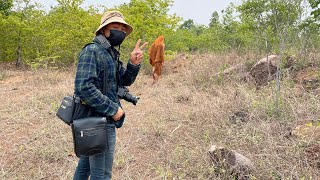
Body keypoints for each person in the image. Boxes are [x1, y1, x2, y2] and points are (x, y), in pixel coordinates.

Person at [73, 10, 147, 179]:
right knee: (102, 174)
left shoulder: (110, 54)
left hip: (96, 121)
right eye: (115, 26)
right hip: (99, 123)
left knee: (85, 167)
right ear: (103, 30)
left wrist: (133, 64)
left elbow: (124, 80)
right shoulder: (92, 51)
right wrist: (113, 110)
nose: (120, 31)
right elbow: (83, 87)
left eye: (122, 28)